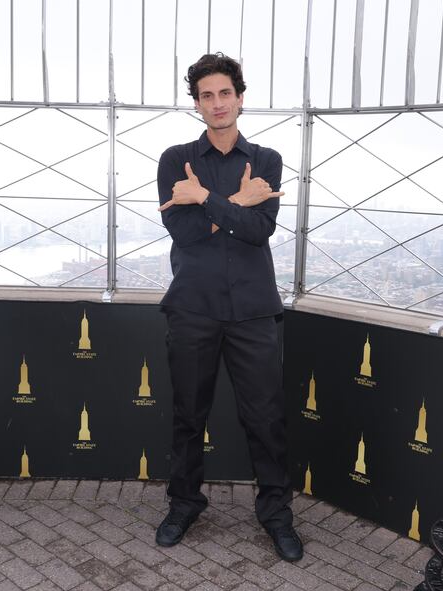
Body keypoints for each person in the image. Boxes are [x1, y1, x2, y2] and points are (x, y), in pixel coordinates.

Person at [154, 53, 303, 562]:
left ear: (240, 97)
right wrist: (238, 202)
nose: (216, 103)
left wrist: (207, 200)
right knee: (188, 415)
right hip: (192, 307)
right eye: (205, 95)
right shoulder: (176, 160)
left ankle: (277, 516)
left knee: (265, 419)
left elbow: (261, 230)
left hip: (254, 310)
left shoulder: (266, 160)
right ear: (196, 103)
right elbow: (187, 233)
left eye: (224, 93)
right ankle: (184, 504)